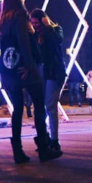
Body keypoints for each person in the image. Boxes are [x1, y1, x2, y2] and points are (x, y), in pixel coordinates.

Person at [0, 0, 61, 164]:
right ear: (19, 0)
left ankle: (18, 150)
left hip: (8, 70)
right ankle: (43, 148)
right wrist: (29, 65)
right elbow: (24, 42)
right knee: (39, 106)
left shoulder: (3, 21)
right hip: (24, 69)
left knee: (17, 109)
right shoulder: (20, 17)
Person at [30, 8, 66, 151]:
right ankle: (44, 138)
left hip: (54, 73)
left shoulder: (56, 30)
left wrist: (47, 26)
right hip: (40, 74)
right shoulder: (34, 35)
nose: (35, 25)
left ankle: (54, 140)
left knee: (50, 105)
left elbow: (57, 41)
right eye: (33, 23)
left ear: (43, 20)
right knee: (41, 107)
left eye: (37, 22)